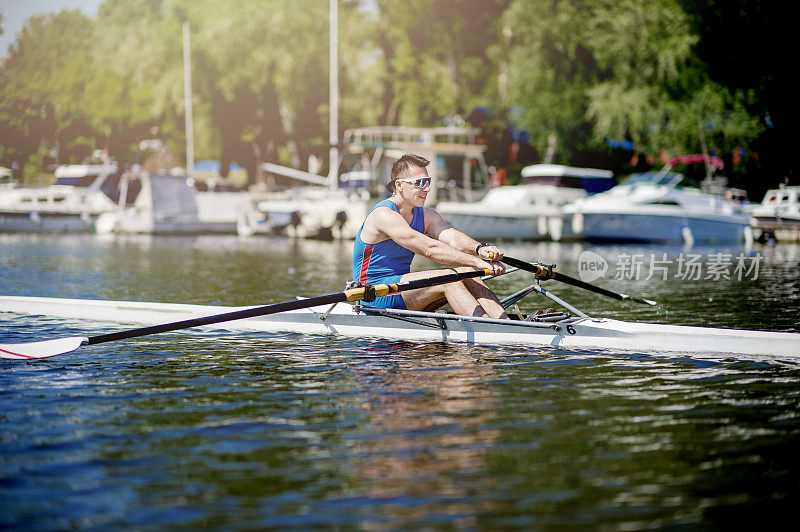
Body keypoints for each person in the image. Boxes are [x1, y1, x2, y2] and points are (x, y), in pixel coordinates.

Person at [352, 154, 508, 318]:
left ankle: (507, 325)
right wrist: (478, 262)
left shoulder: (426, 215)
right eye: (419, 183)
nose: (426, 188)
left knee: (467, 271)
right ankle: (487, 331)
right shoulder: (383, 215)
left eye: (428, 182)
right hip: (373, 295)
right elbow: (429, 249)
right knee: (449, 278)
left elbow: (452, 238)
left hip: (401, 291)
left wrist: (479, 249)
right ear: (399, 185)